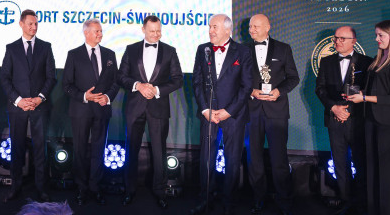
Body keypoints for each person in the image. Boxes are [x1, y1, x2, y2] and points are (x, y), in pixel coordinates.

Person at [118, 15, 184, 209]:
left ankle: (160, 192)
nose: (156, 34)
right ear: (143, 30)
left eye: (159, 31)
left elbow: (178, 79)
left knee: (159, 152)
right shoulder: (131, 49)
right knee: (131, 150)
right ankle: (129, 190)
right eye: (152, 31)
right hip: (134, 108)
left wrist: (156, 90)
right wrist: (138, 85)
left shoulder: (170, 51)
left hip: (158, 107)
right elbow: (121, 77)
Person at [346, 20, 390, 215]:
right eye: (376, 35)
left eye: (380, 35)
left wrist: (365, 98)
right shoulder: (378, 59)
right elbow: (375, 90)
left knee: (387, 173)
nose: (376, 39)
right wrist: (358, 94)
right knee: (373, 169)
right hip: (372, 120)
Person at [191, 14, 253, 215]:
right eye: (210, 27)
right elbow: (197, 82)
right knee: (206, 159)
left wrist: (229, 111)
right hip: (208, 114)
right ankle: (205, 200)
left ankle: (229, 203)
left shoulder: (243, 52)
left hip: (233, 115)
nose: (210, 31)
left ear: (227, 30)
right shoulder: (203, 49)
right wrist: (205, 109)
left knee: (232, 160)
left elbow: (246, 86)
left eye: (214, 27)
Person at [0, 10, 56, 203]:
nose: (34, 27)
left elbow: (51, 77)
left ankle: (41, 189)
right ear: (21, 24)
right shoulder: (11, 48)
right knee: (16, 147)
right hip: (18, 107)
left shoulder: (46, 47)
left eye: (36, 23)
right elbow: (5, 78)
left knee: (41, 149)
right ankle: (15, 187)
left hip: (40, 106)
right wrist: (19, 100)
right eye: (30, 23)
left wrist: (40, 98)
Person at [315, 26, 372, 215]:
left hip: (358, 120)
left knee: (361, 162)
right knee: (339, 162)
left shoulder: (367, 62)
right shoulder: (326, 61)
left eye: (342, 38)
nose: (337, 41)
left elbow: (370, 91)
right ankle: (346, 201)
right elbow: (320, 89)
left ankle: (362, 203)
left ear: (354, 41)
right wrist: (334, 108)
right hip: (334, 119)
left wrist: (348, 109)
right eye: (336, 38)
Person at [246, 14, 299, 215]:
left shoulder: (283, 49)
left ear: (268, 27)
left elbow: (293, 78)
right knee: (254, 158)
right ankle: (258, 199)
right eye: (250, 26)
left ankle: (285, 201)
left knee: (279, 159)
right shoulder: (242, 50)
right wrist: (251, 91)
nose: (251, 30)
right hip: (252, 111)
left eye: (256, 26)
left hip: (276, 111)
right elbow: (237, 79)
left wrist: (279, 91)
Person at [62, 19, 119, 206]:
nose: (100, 34)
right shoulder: (73, 55)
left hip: (102, 110)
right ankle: (81, 188)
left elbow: (115, 82)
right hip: (81, 110)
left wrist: (107, 97)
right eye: (97, 31)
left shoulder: (110, 54)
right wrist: (84, 96)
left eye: (101, 31)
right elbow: (66, 85)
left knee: (99, 150)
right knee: (79, 150)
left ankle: (95, 187)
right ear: (86, 33)